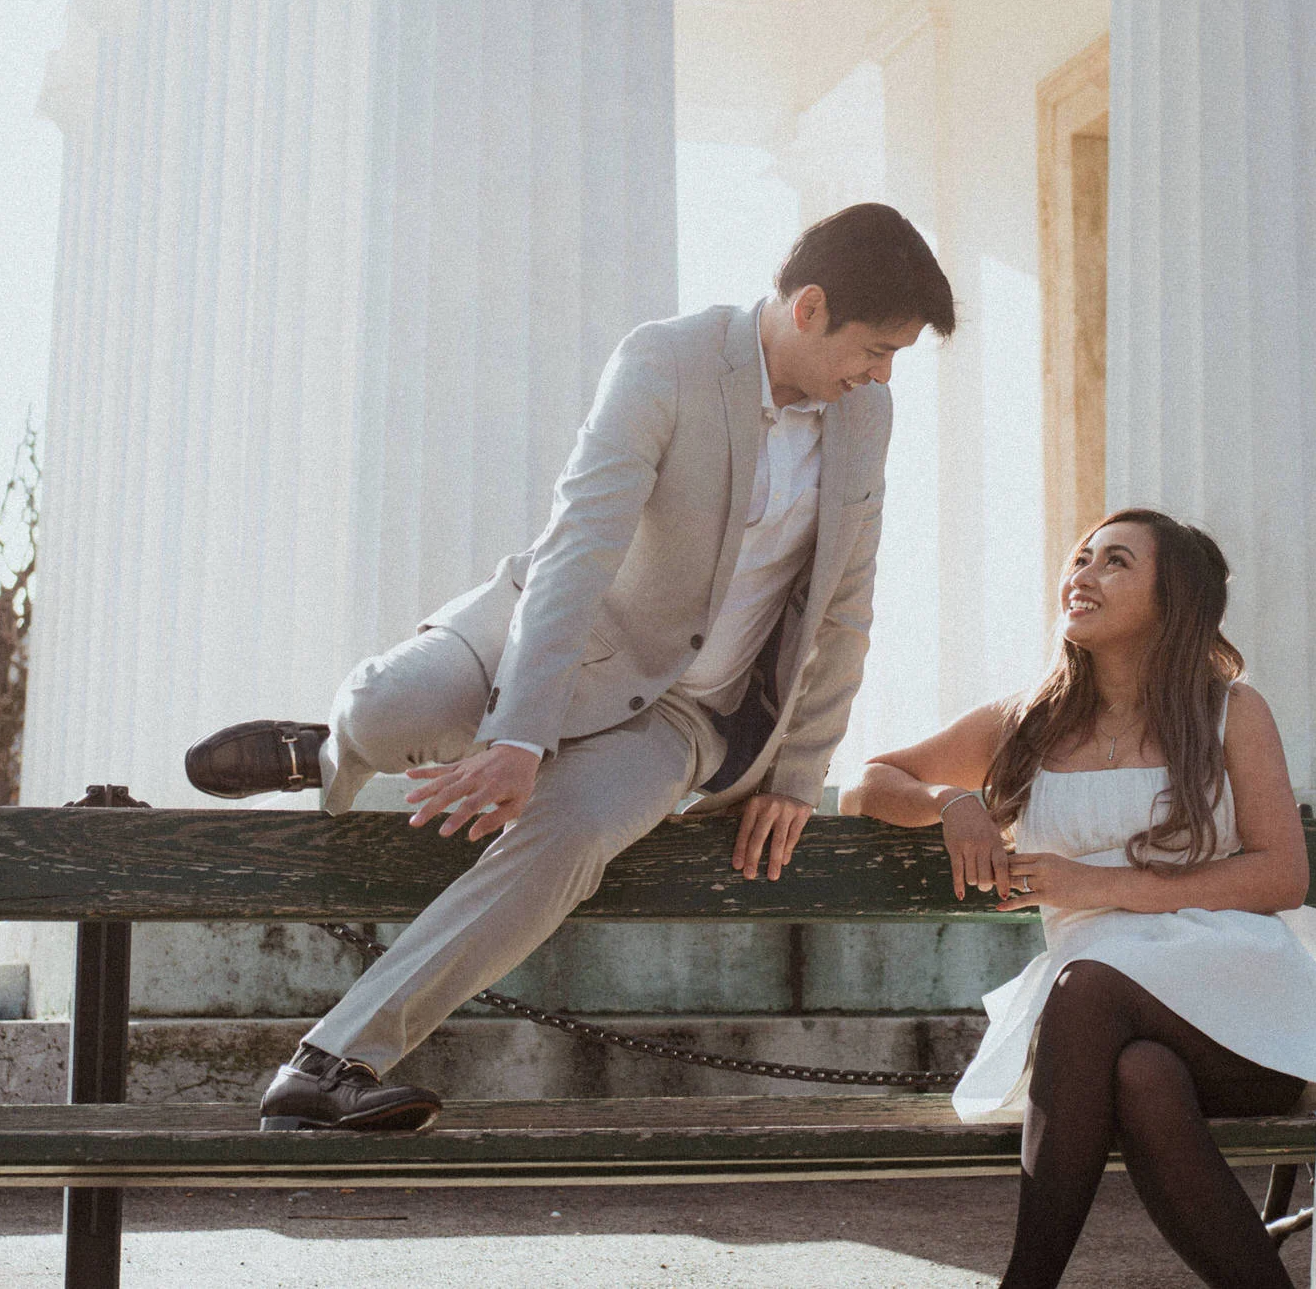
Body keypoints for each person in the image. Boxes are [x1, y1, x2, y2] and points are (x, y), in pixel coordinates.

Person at [183, 202, 955, 1133]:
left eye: (891, 361)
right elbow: (579, 550)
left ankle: (329, 1062)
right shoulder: (665, 362)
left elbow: (845, 608)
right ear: (810, 308)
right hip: (568, 637)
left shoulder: (865, 414)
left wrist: (798, 773)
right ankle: (328, 747)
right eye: (874, 350)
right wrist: (518, 734)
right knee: (396, 708)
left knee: (571, 834)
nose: (877, 375)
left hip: (686, 718)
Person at [841, 509, 1316, 1289]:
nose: (1081, 575)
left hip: (1248, 1015)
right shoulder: (1025, 723)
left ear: (1172, 600)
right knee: (1141, 1074)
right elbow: (870, 782)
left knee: (1084, 987)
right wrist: (953, 802)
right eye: (1080, 559)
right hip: (1112, 1030)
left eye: (1115, 563)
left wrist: (1104, 887)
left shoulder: (1230, 711)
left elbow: (1283, 876)